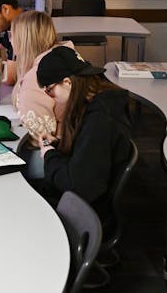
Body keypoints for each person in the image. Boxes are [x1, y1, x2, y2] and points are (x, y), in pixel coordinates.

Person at [33, 46, 133, 222]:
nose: (50, 96)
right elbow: (86, 157)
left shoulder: (99, 120)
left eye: (49, 89)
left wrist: (49, 156)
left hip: (85, 214)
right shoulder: (100, 102)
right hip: (90, 201)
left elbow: (77, 185)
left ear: (67, 83)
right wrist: (56, 146)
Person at [10, 11, 74, 144]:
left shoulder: (36, 80)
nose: (10, 40)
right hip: (87, 142)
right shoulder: (68, 58)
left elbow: (43, 138)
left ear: (24, 40)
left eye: (12, 35)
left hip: (64, 151)